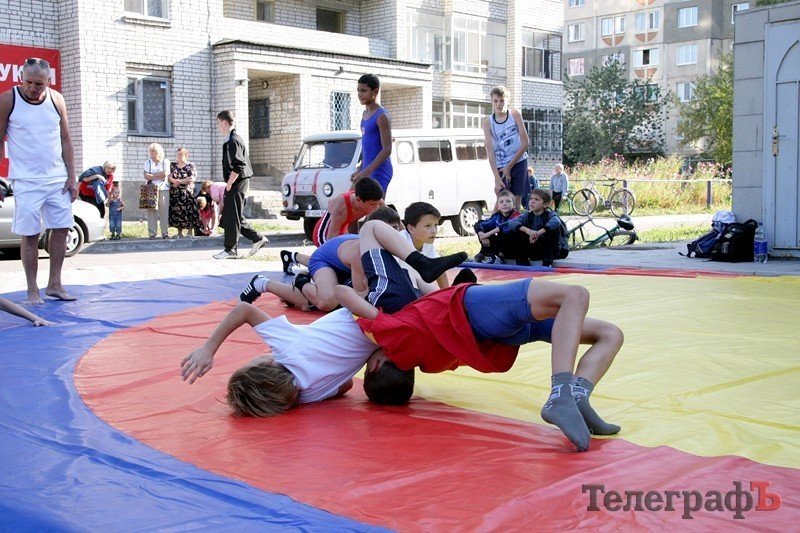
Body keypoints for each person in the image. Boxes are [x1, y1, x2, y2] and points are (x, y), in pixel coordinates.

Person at [180, 223, 467, 415]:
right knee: (371, 231)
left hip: (391, 324)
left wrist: (327, 390)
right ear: (264, 364)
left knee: (407, 292)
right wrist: (209, 348)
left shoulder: (309, 396)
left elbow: (346, 387)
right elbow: (243, 310)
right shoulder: (286, 351)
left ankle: (451, 293)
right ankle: (425, 263)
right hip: (373, 309)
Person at [0, 57, 78, 304]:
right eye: (29, 82)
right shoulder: (8, 99)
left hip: (57, 178)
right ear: (21, 78)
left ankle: (54, 284)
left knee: (62, 227)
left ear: (48, 82)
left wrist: (72, 176)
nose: (33, 88)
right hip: (26, 180)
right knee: (30, 234)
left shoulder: (57, 100)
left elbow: (66, 138)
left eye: (39, 84)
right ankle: (32, 290)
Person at [279, 177, 384, 274]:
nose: (376, 207)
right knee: (329, 262)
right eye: (373, 205)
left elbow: (393, 221)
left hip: (343, 229)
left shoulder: (374, 200)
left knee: (350, 257)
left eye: (377, 203)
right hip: (325, 232)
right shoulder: (341, 206)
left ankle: (292, 256)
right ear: (358, 200)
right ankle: (293, 256)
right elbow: (331, 242)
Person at [214, 110, 268, 260]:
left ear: (225, 123)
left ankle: (230, 249)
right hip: (236, 182)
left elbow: (239, 165)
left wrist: (230, 183)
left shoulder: (234, 140)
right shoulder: (231, 139)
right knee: (231, 215)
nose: (218, 126)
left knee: (232, 215)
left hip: (238, 182)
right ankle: (257, 238)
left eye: (218, 123)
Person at [483, 86, 530, 212]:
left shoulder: (514, 115)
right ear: (492, 101)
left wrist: (510, 166)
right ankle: (490, 228)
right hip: (501, 165)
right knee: (502, 199)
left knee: (516, 199)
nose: (499, 104)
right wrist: (497, 178)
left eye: (502, 100)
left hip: (518, 161)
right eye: (496, 101)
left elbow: (525, 143)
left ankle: (515, 229)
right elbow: (490, 151)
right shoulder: (488, 122)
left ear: (507, 100)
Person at [350, 74, 392, 193]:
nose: (360, 94)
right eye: (358, 90)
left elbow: (387, 149)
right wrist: (360, 169)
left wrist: (367, 171)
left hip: (379, 170)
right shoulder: (365, 114)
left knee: (375, 209)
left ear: (375, 91)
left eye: (363, 91)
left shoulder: (381, 115)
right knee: (348, 202)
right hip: (365, 170)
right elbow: (368, 148)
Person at [508, 188, 569, 267]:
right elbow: (512, 223)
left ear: (545, 204)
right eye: (531, 199)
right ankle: (522, 263)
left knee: (553, 228)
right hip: (535, 245)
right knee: (516, 229)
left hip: (552, 250)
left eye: (537, 199)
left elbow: (556, 221)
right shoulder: (527, 215)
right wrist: (528, 231)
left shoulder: (550, 214)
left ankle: (546, 263)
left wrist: (538, 233)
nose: (532, 201)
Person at [472, 190, 521, 264]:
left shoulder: (517, 216)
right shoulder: (497, 216)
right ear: (498, 206)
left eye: (508, 201)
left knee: (505, 232)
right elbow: (480, 224)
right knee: (485, 228)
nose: (504, 204)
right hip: (501, 245)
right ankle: (487, 255)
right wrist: (482, 234)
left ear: (514, 205)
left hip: (515, 247)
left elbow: (506, 226)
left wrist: (487, 234)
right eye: (501, 202)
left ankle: (500, 256)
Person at [168, 147, 202, 239]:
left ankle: (190, 232)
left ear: (187, 155)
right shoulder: (173, 165)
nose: (179, 157)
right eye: (177, 155)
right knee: (177, 212)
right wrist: (173, 181)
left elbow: (192, 178)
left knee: (189, 211)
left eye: (181, 154)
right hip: (175, 193)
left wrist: (179, 181)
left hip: (188, 193)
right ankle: (179, 232)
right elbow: (168, 176)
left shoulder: (191, 165)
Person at [143, 143, 170, 239]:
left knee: (163, 210)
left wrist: (152, 175)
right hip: (150, 188)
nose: (151, 153)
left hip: (163, 188)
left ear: (158, 152)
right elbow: (146, 175)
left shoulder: (165, 161)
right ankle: (152, 233)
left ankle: (165, 232)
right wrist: (157, 175)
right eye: (150, 151)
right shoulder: (147, 162)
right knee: (151, 210)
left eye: (153, 151)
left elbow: (165, 174)